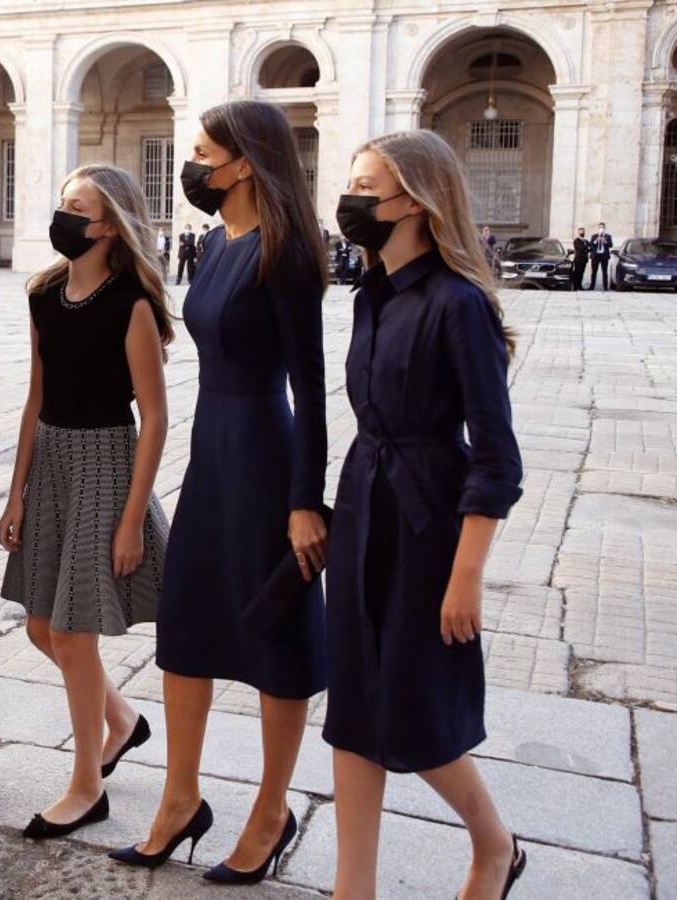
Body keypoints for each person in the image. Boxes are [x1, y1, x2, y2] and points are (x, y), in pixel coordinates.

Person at [111, 100, 328, 883]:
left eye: (204, 153)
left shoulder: (286, 250)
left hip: (266, 452)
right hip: (211, 448)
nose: (193, 165)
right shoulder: (213, 242)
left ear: (246, 162)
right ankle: (179, 799)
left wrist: (306, 501)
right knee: (187, 622)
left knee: (277, 631)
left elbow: (312, 385)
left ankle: (271, 811)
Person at [327, 129, 526, 899]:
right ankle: (354, 889)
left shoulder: (459, 304)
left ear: (415, 200)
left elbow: (497, 458)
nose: (350, 199)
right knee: (353, 707)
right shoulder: (369, 296)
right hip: (363, 507)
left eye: (366, 186)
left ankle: (494, 845)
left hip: (426, 523)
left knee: (416, 711)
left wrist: (465, 576)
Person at [0, 164, 173, 840]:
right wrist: (15, 493)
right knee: (42, 627)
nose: (64, 217)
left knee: (74, 633)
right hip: (51, 463)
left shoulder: (131, 304)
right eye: (63, 203)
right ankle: (122, 720)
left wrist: (132, 520)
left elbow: (154, 418)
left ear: (109, 226)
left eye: (79, 207)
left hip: (105, 465)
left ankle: (85, 788)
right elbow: (35, 396)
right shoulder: (43, 293)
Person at [589, 222, 613, 290]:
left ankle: (605, 286)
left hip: (604, 256)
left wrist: (605, 241)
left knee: (604, 272)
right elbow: (591, 244)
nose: (601, 229)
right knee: (594, 272)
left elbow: (610, 245)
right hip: (595, 256)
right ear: (598, 228)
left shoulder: (608, 236)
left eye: (602, 227)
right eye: (600, 227)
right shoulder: (594, 236)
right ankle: (592, 286)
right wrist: (596, 240)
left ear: (604, 228)